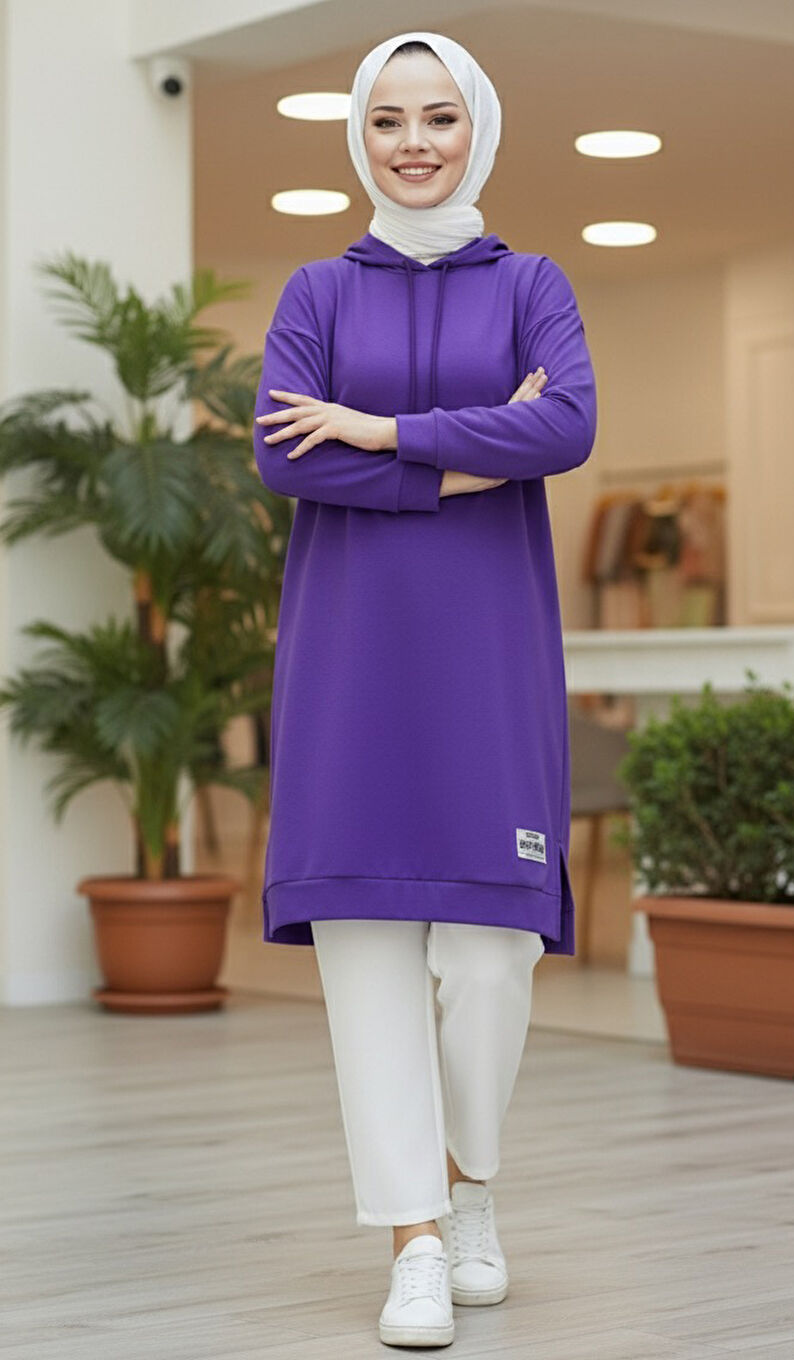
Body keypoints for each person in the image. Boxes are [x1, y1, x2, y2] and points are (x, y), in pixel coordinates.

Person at [253, 30, 598, 1349]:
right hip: (350, 666)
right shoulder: (315, 294)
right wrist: (472, 459)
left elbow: (566, 425)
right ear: (360, 135)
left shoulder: (533, 284)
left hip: (489, 663)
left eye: (438, 117)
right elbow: (285, 456)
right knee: (368, 963)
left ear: (478, 128)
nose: (413, 143)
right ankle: (415, 1240)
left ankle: (471, 1185)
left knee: (493, 956)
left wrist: (381, 432)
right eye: (389, 119)